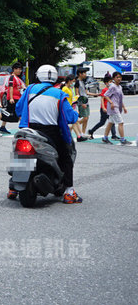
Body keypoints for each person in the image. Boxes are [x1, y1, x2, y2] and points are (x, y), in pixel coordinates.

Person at [12, 64, 81, 203]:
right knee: (66, 158)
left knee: (21, 154)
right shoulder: (60, 94)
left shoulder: (29, 89)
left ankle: (13, 189)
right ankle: (69, 192)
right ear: (55, 77)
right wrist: (76, 113)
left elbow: (18, 109)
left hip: (28, 129)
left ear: (38, 75)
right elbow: (70, 117)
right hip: (51, 132)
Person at [102, 72, 131, 145]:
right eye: (117, 77)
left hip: (118, 107)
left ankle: (105, 138)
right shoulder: (113, 87)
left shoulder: (119, 87)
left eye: (120, 77)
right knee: (120, 122)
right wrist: (111, 102)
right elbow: (106, 95)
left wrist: (124, 107)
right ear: (114, 78)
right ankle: (122, 139)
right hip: (113, 108)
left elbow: (120, 98)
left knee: (110, 122)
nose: (119, 79)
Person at [0, 63, 25, 135]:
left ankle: (2, 126)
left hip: (17, 98)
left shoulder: (18, 78)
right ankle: (23, 128)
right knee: (20, 112)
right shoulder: (12, 78)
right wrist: (11, 98)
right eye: (18, 69)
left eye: (20, 69)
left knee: (8, 112)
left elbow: (21, 87)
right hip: (13, 98)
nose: (20, 71)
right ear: (14, 69)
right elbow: (11, 87)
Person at [88, 75, 115, 141]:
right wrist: (103, 108)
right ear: (106, 83)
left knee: (112, 121)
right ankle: (91, 131)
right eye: (110, 82)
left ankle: (114, 135)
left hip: (109, 108)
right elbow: (102, 99)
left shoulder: (110, 89)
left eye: (112, 81)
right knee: (102, 122)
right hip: (105, 109)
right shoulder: (105, 89)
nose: (111, 83)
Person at [61, 75, 87, 142]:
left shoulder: (69, 88)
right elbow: (64, 99)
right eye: (73, 81)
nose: (73, 83)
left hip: (71, 106)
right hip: (67, 107)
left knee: (75, 121)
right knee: (74, 121)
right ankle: (79, 136)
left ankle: (79, 135)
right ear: (69, 81)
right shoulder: (65, 89)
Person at [75, 68, 91, 135]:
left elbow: (86, 92)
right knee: (85, 118)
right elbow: (77, 93)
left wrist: (97, 94)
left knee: (86, 118)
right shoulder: (77, 82)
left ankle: (83, 133)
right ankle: (75, 125)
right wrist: (81, 103)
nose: (85, 75)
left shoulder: (83, 81)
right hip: (82, 102)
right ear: (80, 74)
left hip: (86, 101)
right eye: (84, 73)